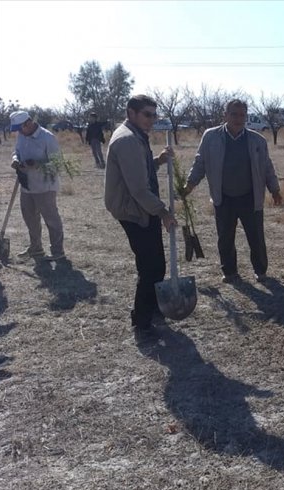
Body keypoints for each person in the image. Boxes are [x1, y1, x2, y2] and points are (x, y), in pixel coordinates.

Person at [182, 99, 282, 283]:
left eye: (242, 115)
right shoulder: (211, 137)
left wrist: (274, 189)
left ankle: (260, 271)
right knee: (225, 238)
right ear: (225, 115)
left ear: (246, 116)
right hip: (223, 198)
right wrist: (189, 185)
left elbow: (267, 167)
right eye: (234, 114)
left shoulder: (257, 140)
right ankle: (230, 273)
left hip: (250, 197)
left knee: (256, 237)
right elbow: (200, 163)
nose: (238, 118)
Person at [104, 94, 177, 334]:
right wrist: (163, 212)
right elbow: (137, 188)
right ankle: (142, 321)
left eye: (154, 115)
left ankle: (153, 307)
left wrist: (158, 160)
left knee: (154, 263)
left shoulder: (134, 135)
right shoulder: (127, 140)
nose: (152, 119)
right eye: (147, 114)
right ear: (131, 113)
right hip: (134, 211)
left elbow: (138, 170)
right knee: (151, 267)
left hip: (138, 207)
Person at [9, 110, 66, 262]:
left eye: (20, 128)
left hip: (45, 186)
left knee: (51, 219)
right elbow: (17, 151)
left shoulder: (47, 138)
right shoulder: (21, 135)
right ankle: (36, 248)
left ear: (28, 123)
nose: (19, 132)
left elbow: (57, 163)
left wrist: (37, 164)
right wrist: (15, 159)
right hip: (26, 185)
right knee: (30, 218)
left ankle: (57, 251)